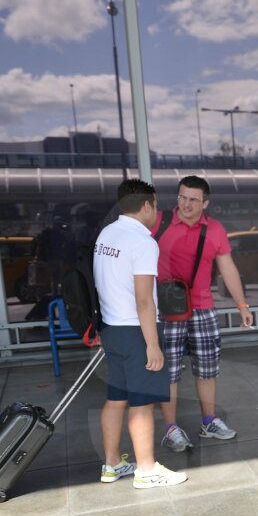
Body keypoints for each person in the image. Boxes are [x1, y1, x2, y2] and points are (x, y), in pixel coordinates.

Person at [93, 179, 187, 489]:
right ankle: (146, 470)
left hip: (112, 329)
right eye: (155, 205)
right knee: (142, 402)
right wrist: (153, 345)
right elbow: (144, 300)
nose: (156, 211)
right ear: (147, 205)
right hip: (136, 331)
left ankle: (112, 465)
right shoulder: (143, 242)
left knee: (116, 398)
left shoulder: (107, 234)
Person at [153, 176, 253, 452]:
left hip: (203, 309)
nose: (186, 204)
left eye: (193, 199)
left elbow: (228, 268)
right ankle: (171, 428)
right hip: (167, 311)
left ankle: (209, 421)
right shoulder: (158, 223)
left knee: (207, 370)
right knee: (169, 373)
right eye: (182, 197)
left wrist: (242, 305)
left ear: (205, 203)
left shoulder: (215, 230)